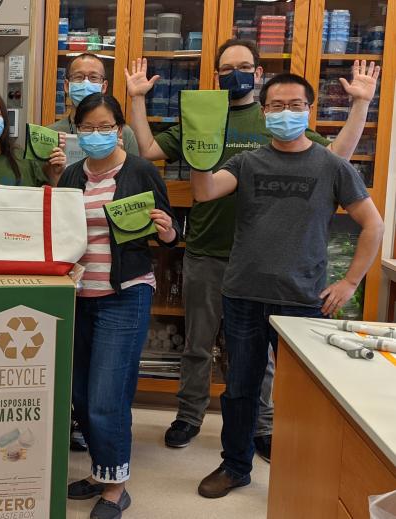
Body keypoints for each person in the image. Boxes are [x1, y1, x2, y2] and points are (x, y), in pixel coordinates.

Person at [125, 39, 381, 458]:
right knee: (200, 344)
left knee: (264, 362)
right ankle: (191, 417)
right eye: (228, 68)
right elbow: (164, 159)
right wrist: (140, 102)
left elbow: (336, 161)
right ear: (217, 76)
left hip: (284, 269)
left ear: (259, 74)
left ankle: (263, 427)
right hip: (210, 250)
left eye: (245, 66)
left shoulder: (297, 137)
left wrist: (360, 107)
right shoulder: (207, 117)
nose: (284, 113)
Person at [190, 73, 383, 498]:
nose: (285, 112)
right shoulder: (247, 162)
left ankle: (305, 470)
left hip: (302, 301)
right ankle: (235, 466)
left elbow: (373, 224)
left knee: (304, 397)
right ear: (264, 111)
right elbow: (205, 192)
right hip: (242, 295)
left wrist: (350, 282)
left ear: (309, 109)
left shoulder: (331, 166)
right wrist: (198, 147)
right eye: (276, 105)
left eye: (295, 104)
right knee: (240, 389)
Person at [59, 93, 180, 519]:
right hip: (77, 298)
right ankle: (99, 468)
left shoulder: (141, 170)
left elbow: (170, 233)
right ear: (77, 130)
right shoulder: (72, 176)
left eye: (104, 126)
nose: (96, 135)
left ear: (119, 127)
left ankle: (115, 489)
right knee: (79, 394)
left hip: (124, 295)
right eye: (87, 127)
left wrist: (165, 230)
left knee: (106, 397)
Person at [50, 53, 139, 157]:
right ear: (66, 85)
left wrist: (119, 158)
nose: (86, 83)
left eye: (94, 77)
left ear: (103, 87)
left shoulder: (123, 133)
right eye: (78, 77)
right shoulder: (52, 134)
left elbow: (136, 171)